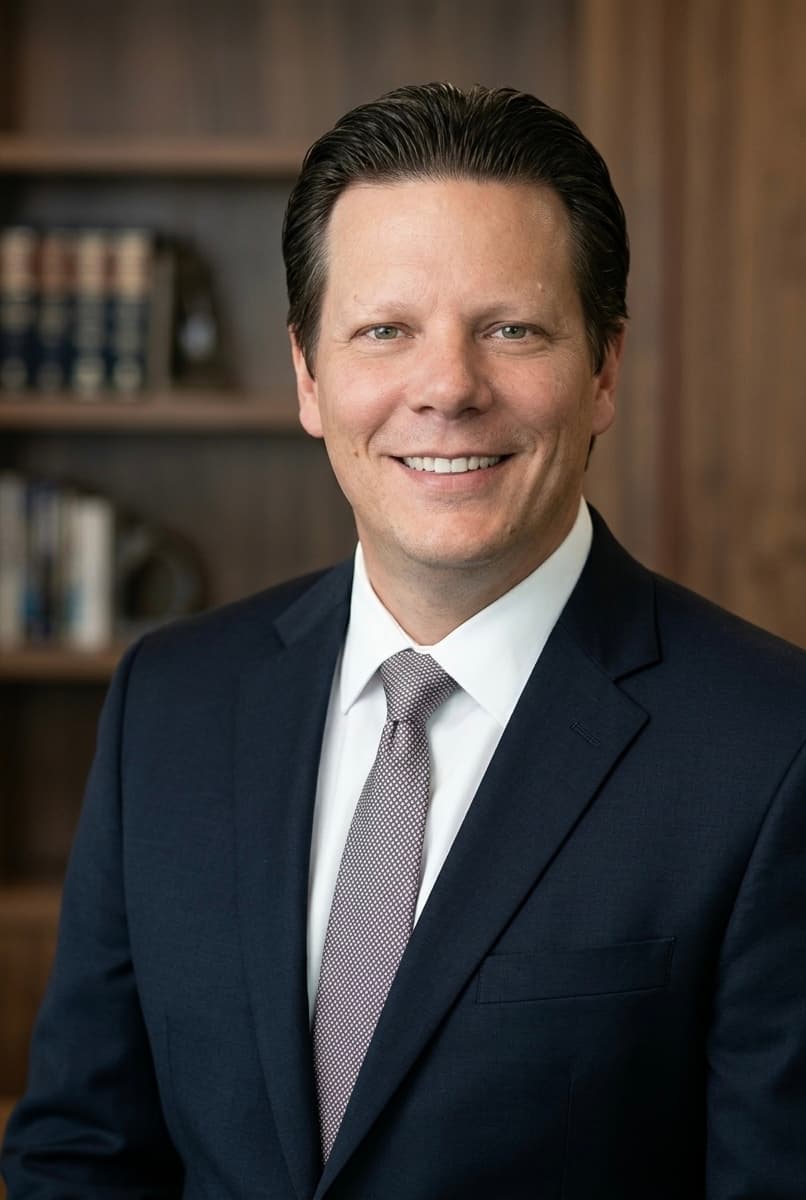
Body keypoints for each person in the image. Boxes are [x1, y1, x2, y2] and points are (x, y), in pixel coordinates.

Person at [2, 82, 805, 1200]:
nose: (446, 388)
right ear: (308, 375)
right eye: (385, 331)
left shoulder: (771, 748)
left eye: (510, 330)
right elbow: (79, 1157)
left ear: (604, 369)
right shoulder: (169, 704)